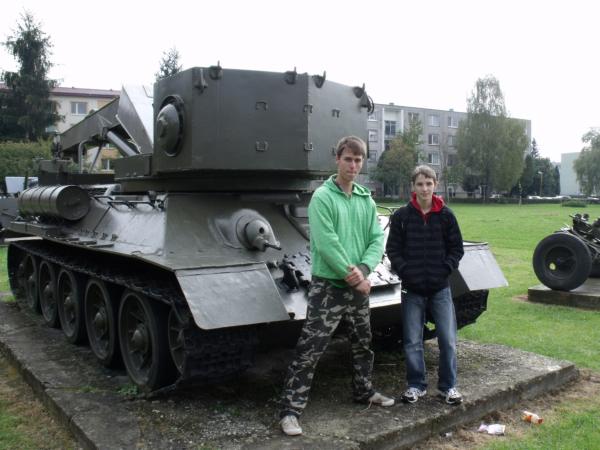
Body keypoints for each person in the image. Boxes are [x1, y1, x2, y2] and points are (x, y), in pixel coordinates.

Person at [279, 136, 394, 436]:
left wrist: (364, 270)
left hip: (358, 287)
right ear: (338, 160)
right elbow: (326, 243)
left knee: (363, 343)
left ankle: (364, 391)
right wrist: (354, 276)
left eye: (358, 160)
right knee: (311, 349)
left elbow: (375, 240)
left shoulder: (365, 199)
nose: (353, 165)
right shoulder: (323, 198)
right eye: (348, 159)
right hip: (328, 288)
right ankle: (290, 411)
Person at [386, 165, 465, 406]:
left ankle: (448, 386)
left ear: (435, 185)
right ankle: (416, 385)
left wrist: (444, 269)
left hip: (440, 287)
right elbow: (393, 250)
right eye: (420, 184)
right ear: (413, 186)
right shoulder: (402, 217)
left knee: (448, 340)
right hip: (412, 289)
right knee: (412, 341)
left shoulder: (446, 216)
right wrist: (406, 271)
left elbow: (456, 249)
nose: (424, 188)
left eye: (429, 183)